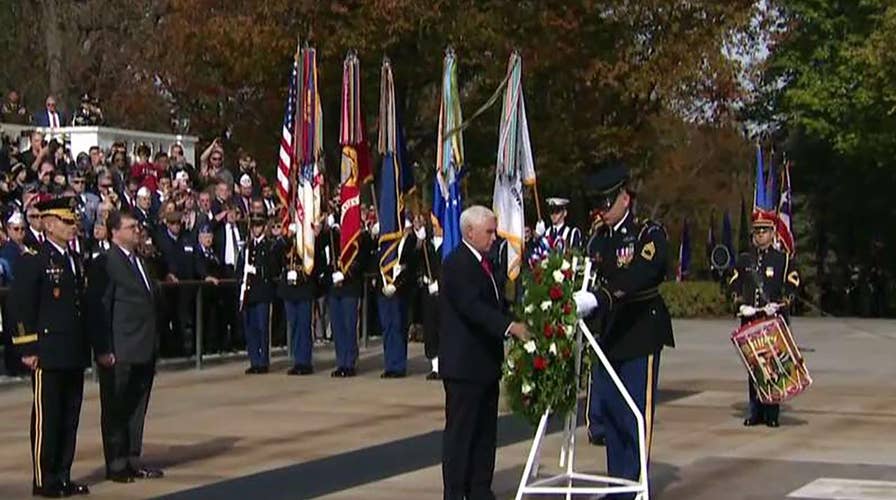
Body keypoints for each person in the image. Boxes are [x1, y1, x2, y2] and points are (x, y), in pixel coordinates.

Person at [574, 164, 675, 500]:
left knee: (635, 413)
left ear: (625, 198)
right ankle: (619, 484)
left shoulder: (648, 234)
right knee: (613, 413)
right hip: (611, 334)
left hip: (640, 329)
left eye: (606, 202)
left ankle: (636, 486)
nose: (601, 210)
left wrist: (601, 297)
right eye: (598, 204)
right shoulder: (599, 239)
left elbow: (643, 274)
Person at [439, 205, 529, 500]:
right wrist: (509, 327)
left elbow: (496, 303)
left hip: (486, 363)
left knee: (485, 435)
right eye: (489, 232)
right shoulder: (457, 264)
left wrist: (520, 317)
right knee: (461, 435)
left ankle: (479, 489)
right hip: (464, 366)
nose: (494, 238)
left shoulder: (485, 262)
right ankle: (455, 492)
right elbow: (473, 308)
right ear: (469, 232)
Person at [9, 196, 91, 497]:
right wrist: (26, 347)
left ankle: (63, 475)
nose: (72, 227)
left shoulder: (72, 258)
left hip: (72, 349)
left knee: (70, 417)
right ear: (48, 223)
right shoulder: (35, 258)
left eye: (73, 221)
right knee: (48, 417)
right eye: (66, 221)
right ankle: (44, 479)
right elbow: (19, 306)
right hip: (47, 350)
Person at [89, 210, 164, 483]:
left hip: (144, 346)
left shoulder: (141, 261)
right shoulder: (105, 263)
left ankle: (133, 458)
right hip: (119, 349)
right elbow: (100, 309)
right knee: (116, 408)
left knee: (136, 407)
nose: (137, 230)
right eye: (131, 227)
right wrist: (103, 348)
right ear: (114, 232)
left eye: (138, 225)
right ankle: (116, 462)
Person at [728, 203, 800, 428]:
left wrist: (780, 304)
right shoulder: (744, 260)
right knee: (754, 367)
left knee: (773, 366)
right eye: (757, 231)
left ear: (772, 233)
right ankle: (756, 410)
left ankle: (772, 413)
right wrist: (740, 304)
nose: (760, 235)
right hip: (751, 320)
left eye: (764, 231)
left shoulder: (783, 259)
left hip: (772, 321)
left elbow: (793, 284)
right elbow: (733, 284)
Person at [236, 214, 281, 374]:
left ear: (264, 227)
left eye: (259, 226)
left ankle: (263, 362)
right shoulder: (248, 246)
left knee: (262, 328)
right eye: (254, 226)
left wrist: (258, 271)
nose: (256, 229)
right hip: (249, 293)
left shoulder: (269, 246)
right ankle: (254, 360)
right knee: (251, 328)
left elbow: (273, 268)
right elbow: (240, 268)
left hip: (262, 292)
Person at [378, 221, 418, 378]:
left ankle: (398, 365)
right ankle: (389, 364)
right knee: (387, 328)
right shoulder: (386, 242)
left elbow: (411, 267)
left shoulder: (411, 241)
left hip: (400, 290)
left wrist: (397, 284)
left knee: (398, 327)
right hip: (384, 287)